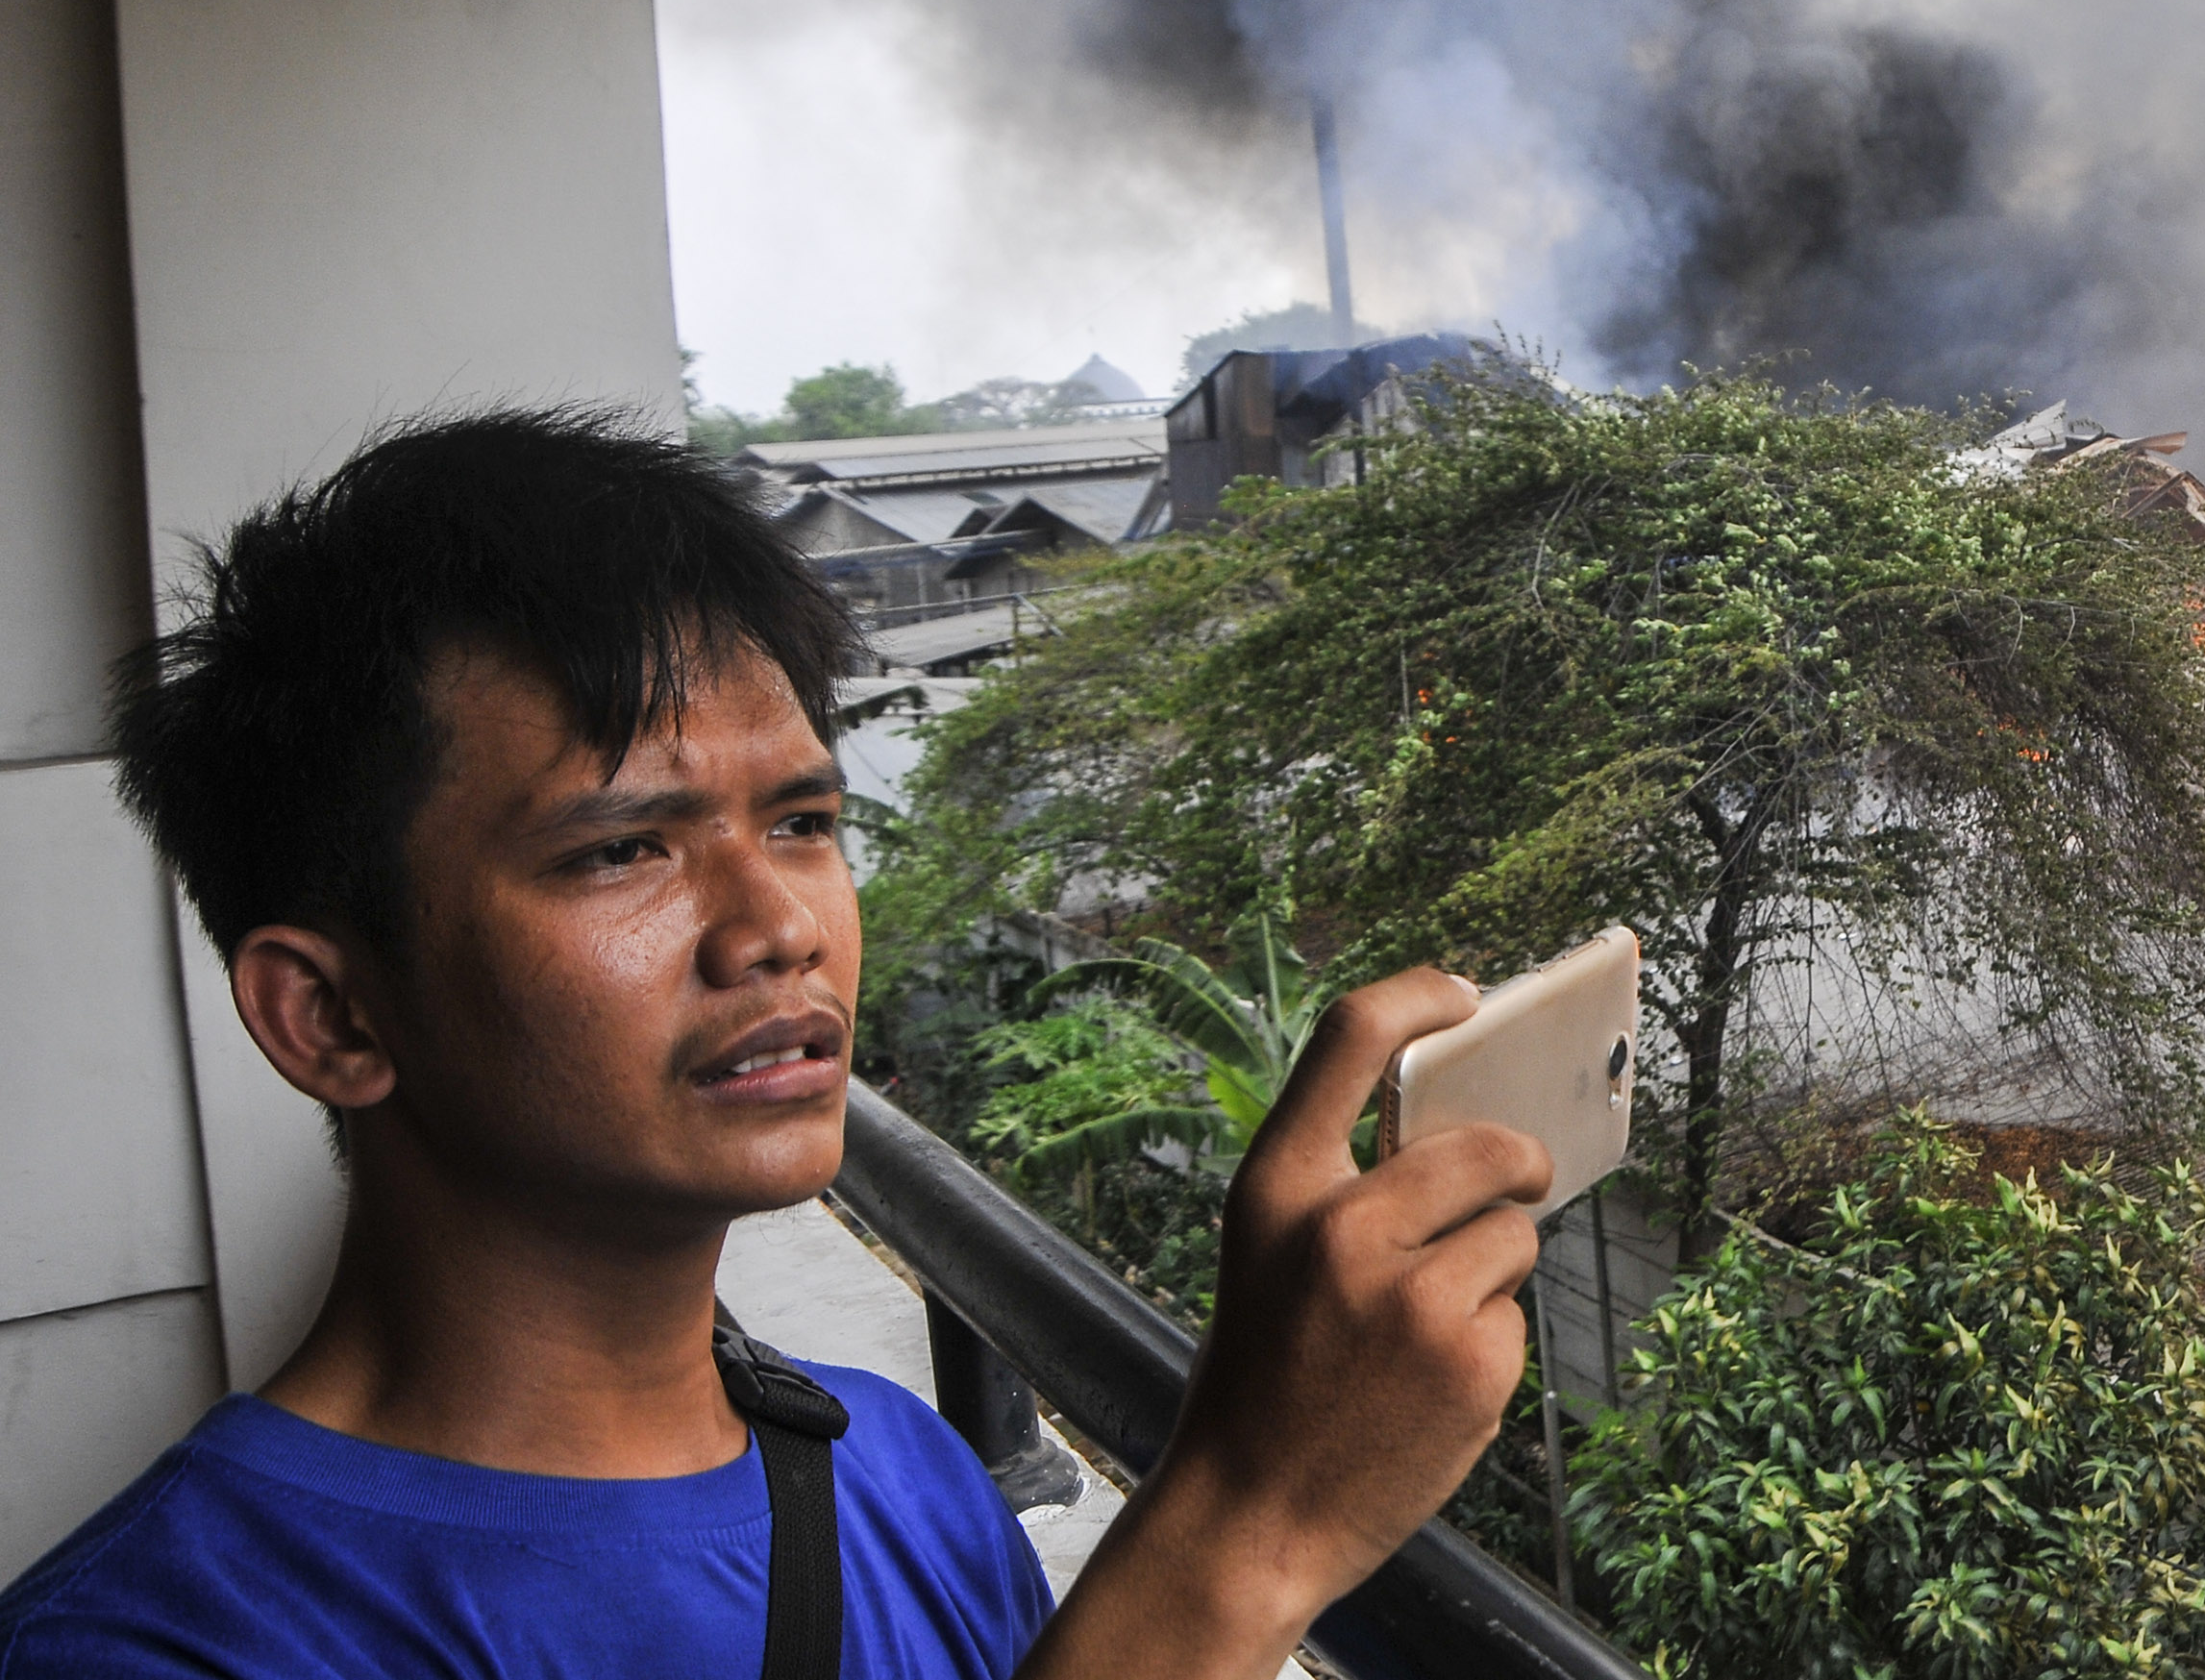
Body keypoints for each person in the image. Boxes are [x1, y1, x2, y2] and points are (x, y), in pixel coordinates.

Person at [0, 408, 1553, 1678]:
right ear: (331, 1013)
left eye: (805, 820)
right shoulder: (165, 1649)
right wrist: (1247, 1526)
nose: (778, 925)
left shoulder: (905, 1478)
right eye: (622, 850)